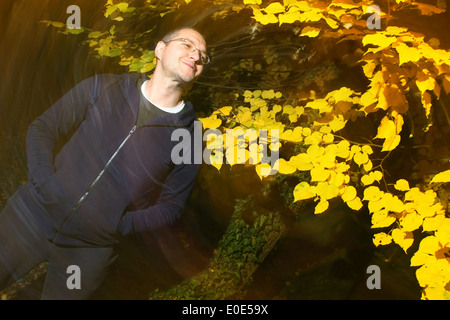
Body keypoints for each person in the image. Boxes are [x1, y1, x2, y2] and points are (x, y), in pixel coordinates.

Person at [0, 27, 209, 299]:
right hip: (31, 217)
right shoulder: (104, 86)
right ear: (159, 49)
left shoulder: (191, 136)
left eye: (204, 55)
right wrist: (43, 181)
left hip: (88, 251)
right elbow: (43, 128)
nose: (196, 54)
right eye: (187, 44)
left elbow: (171, 207)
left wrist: (117, 224)